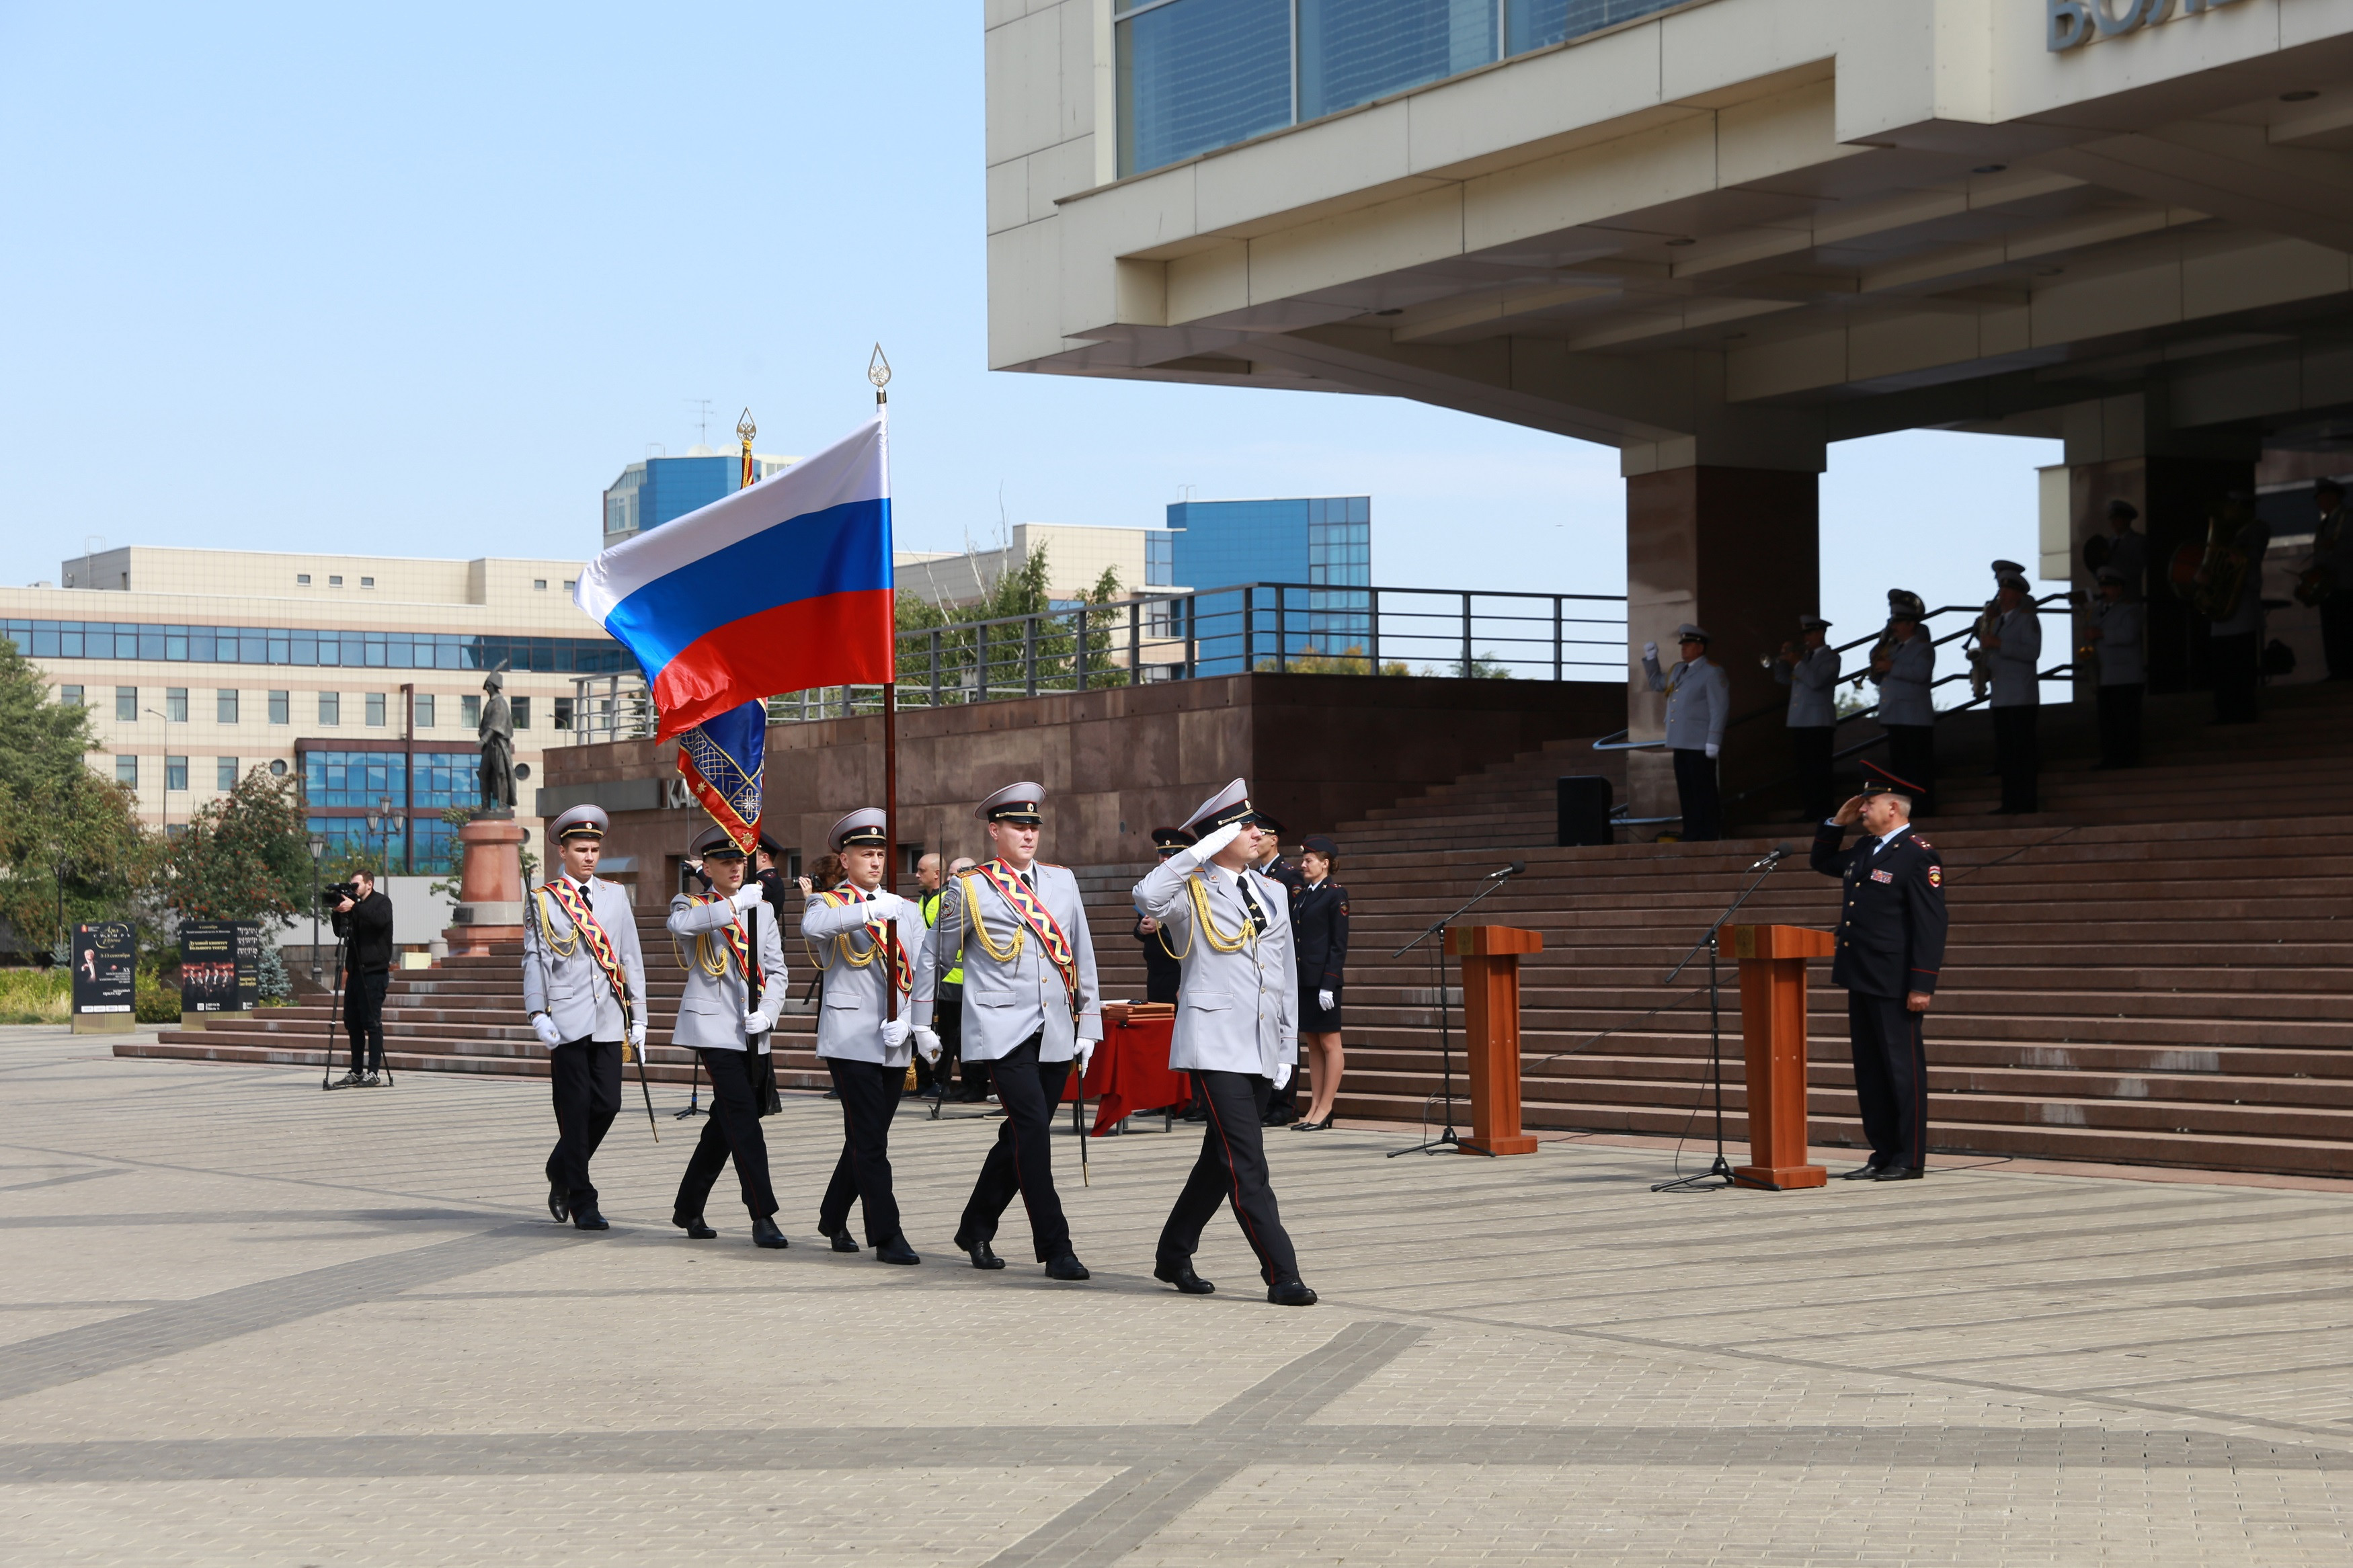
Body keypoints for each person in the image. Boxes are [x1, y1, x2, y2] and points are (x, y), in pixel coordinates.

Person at [1134, 778, 1316, 1306]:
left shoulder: (1273, 889)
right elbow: (1147, 896)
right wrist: (1199, 851)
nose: (1258, 832)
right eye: (1246, 825)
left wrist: (1286, 1050)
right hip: (1215, 1043)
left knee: (1220, 1160)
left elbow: (1282, 974)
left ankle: (1173, 1252)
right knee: (1246, 1160)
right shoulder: (1189, 888)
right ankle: (1283, 1273)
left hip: (1260, 1044)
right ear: (1219, 837)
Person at [910, 782, 1101, 1280]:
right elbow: (934, 955)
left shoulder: (1063, 881)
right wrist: (920, 1021)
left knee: (1019, 1133)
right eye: (1019, 825)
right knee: (1034, 1130)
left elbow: (1083, 955)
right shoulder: (969, 886)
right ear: (994, 830)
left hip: (1057, 1026)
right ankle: (1056, 1247)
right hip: (1002, 1029)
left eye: (1034, 825)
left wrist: (1091, 1023)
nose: (1029, 834)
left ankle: (975, 1225)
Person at [802, 809, 930, 1265]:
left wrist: (918, 1023)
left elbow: (923, 971)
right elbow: (812, 928)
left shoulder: (907, 909)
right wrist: (871, 910)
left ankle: (833, 1214)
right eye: (865, 854)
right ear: (845, 857)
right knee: (872, 1139)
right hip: (851, 1037)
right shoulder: (830, 904)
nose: (875, 862)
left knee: (866, 1135)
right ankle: (887, 1234)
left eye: (880, 854)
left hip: (895, 1038)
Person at [1811, 761, 1947, 1182]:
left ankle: (1909, 1157)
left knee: (1902, 1070)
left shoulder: (1918, 854)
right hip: (1861, 974)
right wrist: (1837, 822)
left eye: (1868, 804)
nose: (1861, 810)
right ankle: (1882, 1151)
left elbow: (1931, 923)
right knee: (1870, 1070)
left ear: (1893, 808)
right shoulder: (1865, 850)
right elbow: (1821, 860)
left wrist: (1922, 983)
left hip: (1895, 981)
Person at [523, 805, 650, 1231]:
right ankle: (583, 1197)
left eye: (595, 848)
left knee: (608, 1104)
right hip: (567, 1018)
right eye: (581, 849)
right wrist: (537, 1012)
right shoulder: (544, 900)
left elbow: (631, 956)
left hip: (611, 1015)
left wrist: (641, 1017)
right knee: (574, 1110)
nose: (590, 856)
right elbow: (535, 960)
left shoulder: (616, 896)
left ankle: (560, 1166)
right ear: (563, 851)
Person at [668, 825, 791, 1249]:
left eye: (741, 860)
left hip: (754, 1029)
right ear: (708, 867)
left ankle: (688, 1205)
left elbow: (777, 971)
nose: (736, 867)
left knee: (726, 1121)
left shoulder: (762, 910)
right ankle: (762, 1213)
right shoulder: (692, 902)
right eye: (726, 861)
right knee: (743, 1118)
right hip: (713, 1027)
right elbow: (680, 925)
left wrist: (770, 1012)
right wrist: (735, 905)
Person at [1641, 623, 1728, 841]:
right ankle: (1692, 831)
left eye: (1688, 645)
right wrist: (1651, 659)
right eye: (1683, 644)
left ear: (1700, 648)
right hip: (1680, 740)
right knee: (1687, 791)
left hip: (1700, 743)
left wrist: (1714, 739)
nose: (1684, 648)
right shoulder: (1678, 669)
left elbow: (1720, 707)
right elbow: (1656, 683)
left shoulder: (1712, 672)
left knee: (1704, 791)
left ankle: (1709, 833)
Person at [1289, 833, 1349, 1133]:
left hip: (1324, 980)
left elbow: (1338, 944)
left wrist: (1330, 982)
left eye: (1309, 860)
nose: (1303, 864)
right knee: (1312, 1041)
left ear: (1325, 864)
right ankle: (1314, 1107)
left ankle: (1326, 1107)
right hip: (1305, 978)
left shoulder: (1335, 894)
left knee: (1329, 1042)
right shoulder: (1306, 894)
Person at [2203, 493, 2270, 725]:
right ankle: (2225, 712)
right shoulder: (2231, 536)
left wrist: (2239, 559)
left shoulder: (2254, 532)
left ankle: (2241, 712)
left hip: (2241, 614)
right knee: (2224, 670)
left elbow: (2252, 577)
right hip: (2223, 614)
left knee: (2240, 669)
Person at [1981, 572, 2042, 814]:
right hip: (2001, 695)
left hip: (2021, 695)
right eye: (2000, 589)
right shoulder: (1996, 622)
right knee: (2006, 753)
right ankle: (2009, 801)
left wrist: (1998, 644)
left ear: (2017, 596)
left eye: (2005, 591)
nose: (2000, 594)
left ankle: (2025, 802)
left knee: (2022, 752)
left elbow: (2032, 652)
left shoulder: (2028, 620)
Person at [1870, 603, 1937, 817]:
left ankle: (1923, 807)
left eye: (1898, 622)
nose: (1894, 627)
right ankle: (1905, 808)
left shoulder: (1923, 647)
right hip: (1895, 715)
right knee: (1900, 767)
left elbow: (1921, 674)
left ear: (1911, 624)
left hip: (1914, 717)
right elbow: (1878, 677)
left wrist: (1891, 667)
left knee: (1918, 767)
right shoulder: (1893, 647)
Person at [1773, 614, 1840, 821]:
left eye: (1811, 633)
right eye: (1805, 634)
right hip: (1800, 720)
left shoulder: (1831, 658)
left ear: (1821, 633)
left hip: (1819, 721)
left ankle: (1823, 809)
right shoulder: (1804, 659)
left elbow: (1816, 681)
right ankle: (1810, 809)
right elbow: (1782, 679)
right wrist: (1783, 660)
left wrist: (1797, 662)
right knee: (1805, 770)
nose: (1807, 638)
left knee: (1819, 769)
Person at [330, 869, 393, 1087]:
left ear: (369, 884)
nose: (353, 889)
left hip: (375, 971)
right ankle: (356, 1070)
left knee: (372, 1022)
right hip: (355, 971)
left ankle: (373, 1072)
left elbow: (379, 921)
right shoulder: (354, 906)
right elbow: (340, 933)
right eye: (352, 885)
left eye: (357, 885)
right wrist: (338, 911)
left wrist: (355, 907)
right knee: (352, 1022)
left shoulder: (382, 903)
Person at [2080, 567, 2145, 768]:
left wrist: (2100, 633)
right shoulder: (2097, 610)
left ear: (2119, 589)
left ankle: (2128, 759)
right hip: (2105, 675)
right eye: (2101, 586)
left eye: (2108, 586)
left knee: (2126, 721)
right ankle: (2110, 757)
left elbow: (2128, 635)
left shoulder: (2130, 608)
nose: (2103, 590)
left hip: (2126, 675)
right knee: (2107, 722)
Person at [1133, 829, 1194, 1005]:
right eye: (1162, 855)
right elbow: (1139, 929)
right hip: (1155, 969)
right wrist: (1141, 929)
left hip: (1179, 970)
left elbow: (1194, 926)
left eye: (1170, 855)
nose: (1165, 860)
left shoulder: (1192, 884)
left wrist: (1160, 924)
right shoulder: (1152, 886)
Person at [910, 854, 949, 1096]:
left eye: (921, 870)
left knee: (945, 1032)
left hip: (948, 980)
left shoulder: (945, 899)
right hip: (927, 977)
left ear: (936, 874)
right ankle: (923, 1080)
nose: (916, 875)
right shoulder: (924, 900)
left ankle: (940, 1082)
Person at [2313, 478, 2351, 681]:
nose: (2319, 503)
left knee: (2346, 629)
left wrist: (2336, 548)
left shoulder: (2349, 518)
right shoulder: (2323, 525)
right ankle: (2336, 670)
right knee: (2331, 630)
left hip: (2346, 584)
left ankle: (2346, 670)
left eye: (2321, 498)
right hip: (2327, 586)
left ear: (2332, 498)